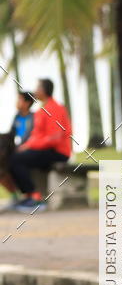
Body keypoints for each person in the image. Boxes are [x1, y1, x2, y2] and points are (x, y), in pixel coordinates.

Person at [9, 78, 72, 212]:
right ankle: (29, 196)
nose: (35, 91)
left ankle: (35, 197)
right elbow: (37, 136)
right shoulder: (42, 110)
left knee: (15, 159)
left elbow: (54, 138)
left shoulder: (54, 108)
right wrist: (28, 145)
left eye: (38, 88)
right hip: (47, 150)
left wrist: (30, 146)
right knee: (15, 157)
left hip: (58, 152)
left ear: (44, 90)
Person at [0, 91, 35, 205]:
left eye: (19, 99)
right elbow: (11, 135)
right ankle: (14, 194)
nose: (17, 102)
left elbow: (30, 137)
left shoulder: (33, 117)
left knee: (11, 161)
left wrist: (21, 147)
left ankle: (28, 194)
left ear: (27, 102)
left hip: (29, 149)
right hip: (17, 148)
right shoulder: (17, 116)